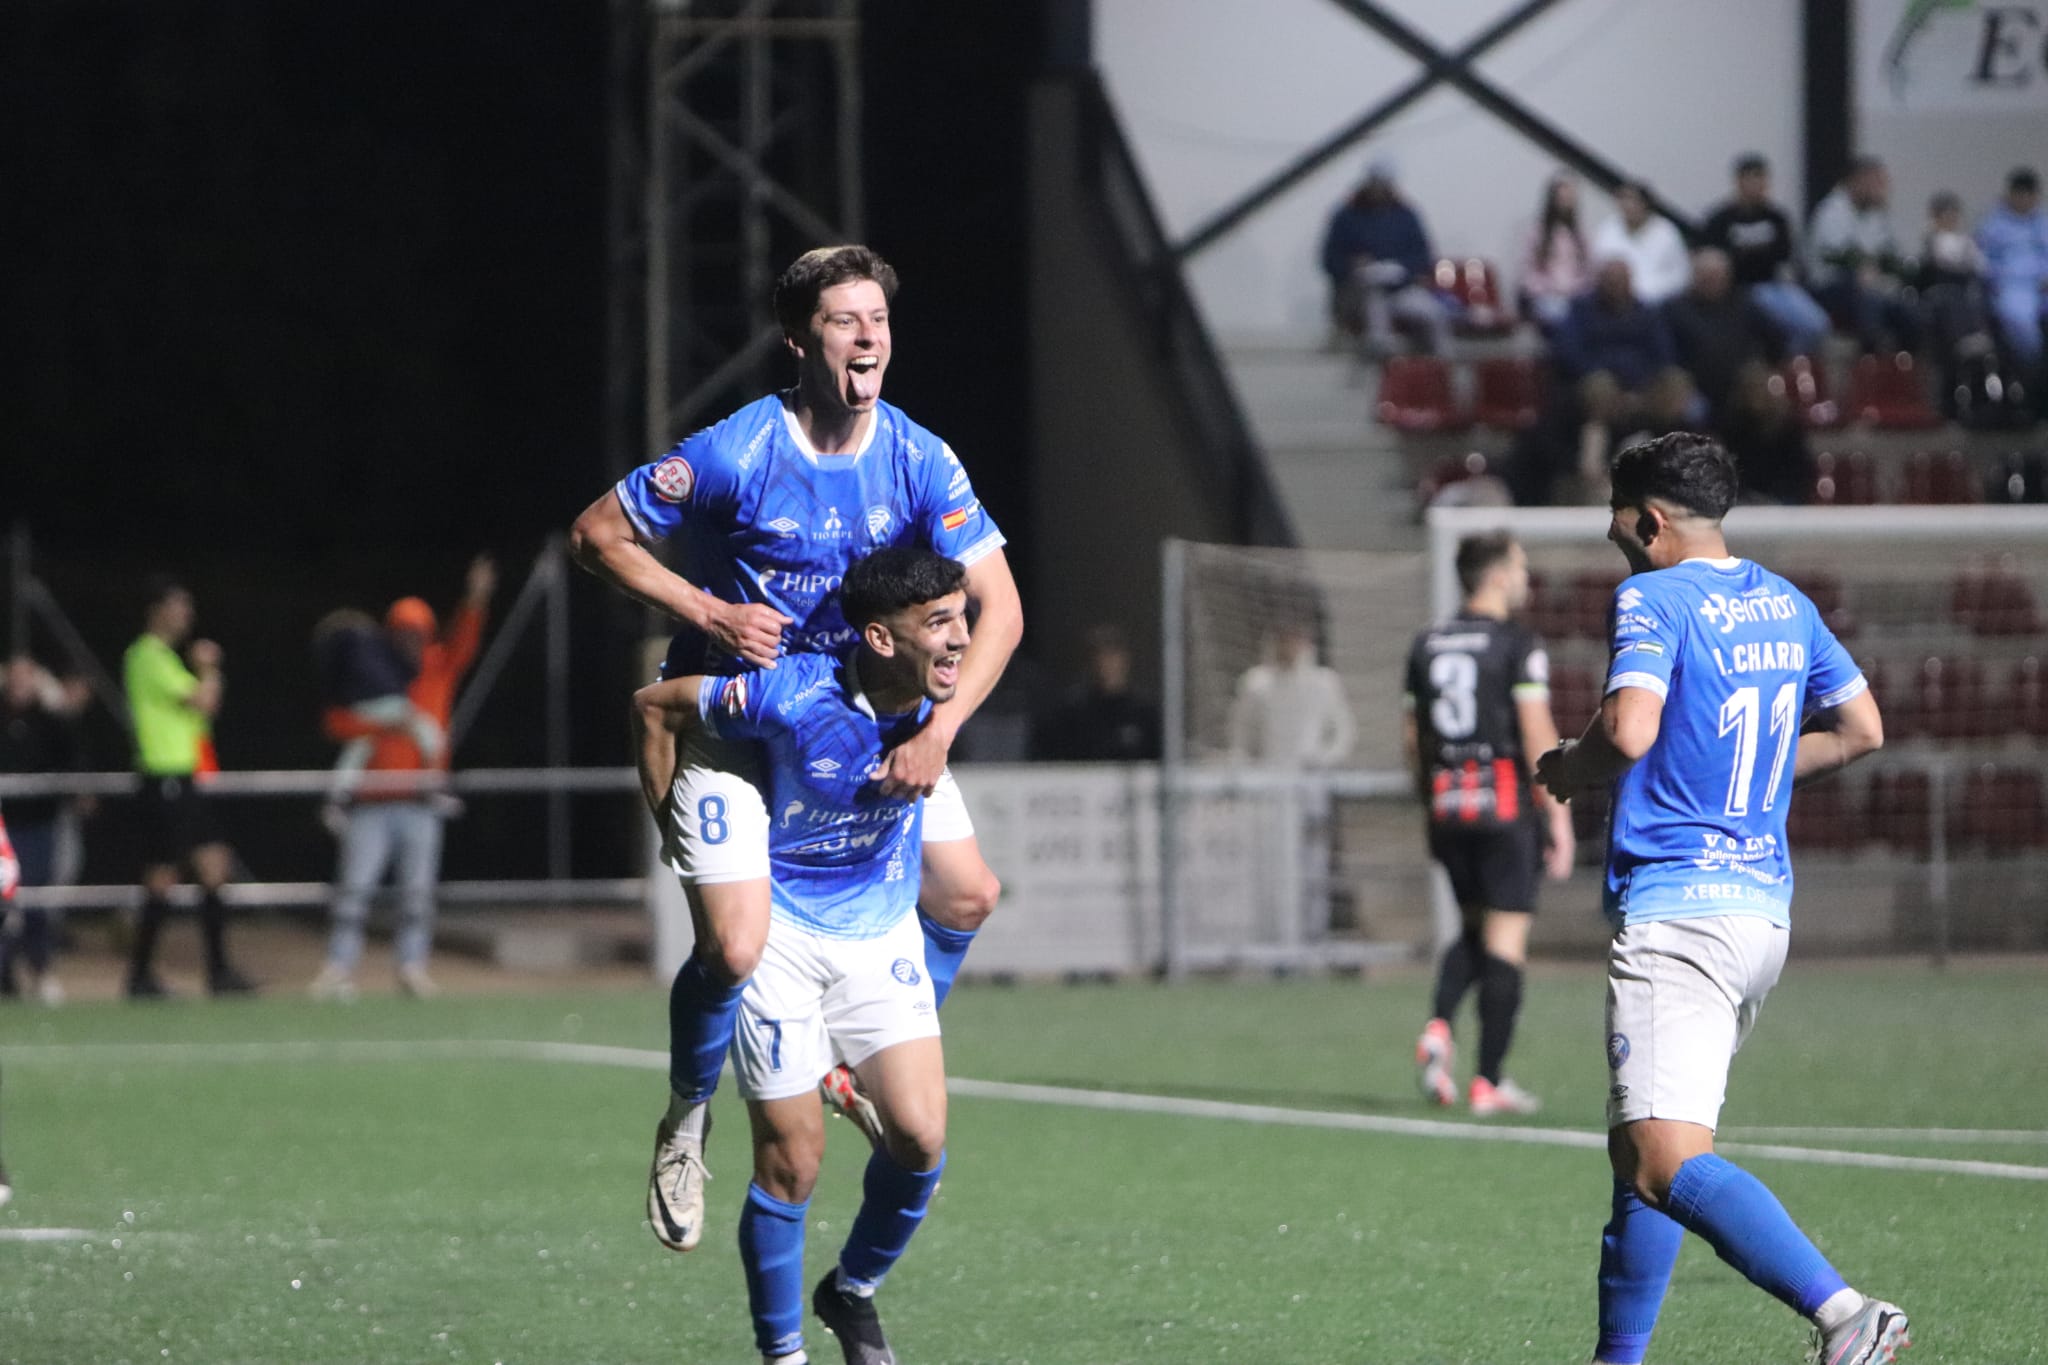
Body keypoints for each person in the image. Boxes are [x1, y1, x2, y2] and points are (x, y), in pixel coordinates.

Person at [567, 244, 1023, 1256]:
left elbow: (1003, 610)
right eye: (843, 321)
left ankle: (855, 1064)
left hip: (857, 718)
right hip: (741, 723)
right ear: (797, 341)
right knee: (732, 948)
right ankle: (687, 1117)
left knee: (965, 894)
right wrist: (707, 609)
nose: (867, 337)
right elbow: (597, 534)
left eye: (879, 321)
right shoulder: (735, 451)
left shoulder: (916, 455)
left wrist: (939, 730)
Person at [1533, 433, 1908, 1365]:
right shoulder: (1786, 600)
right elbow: (1862, 728)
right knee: (1645, 1159)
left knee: (1663, 1159)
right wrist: (1760, 789)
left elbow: (1628, 729)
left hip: (1680, 913)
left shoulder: (1652, 596)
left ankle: (1845, 1313)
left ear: (1649, 519)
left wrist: (1572, 769)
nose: (1609, 531)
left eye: (1616, 514)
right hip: (1759, 910)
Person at [633, 547, 967, 1365]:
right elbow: (656, 706)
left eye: (962, 617)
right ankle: (782, 1354)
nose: (961, 640)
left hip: (881, 925)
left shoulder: (943, 698)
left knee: (921, 1138)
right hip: (784, 931)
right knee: (793, 1162)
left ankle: (849, 1292)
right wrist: (685, 856)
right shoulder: (791, 694)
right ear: (882, 640)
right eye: (939, 624)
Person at [1403, 533, 1574, 1115]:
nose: (1526, 577)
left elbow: (1413, 739)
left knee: (1476, 931)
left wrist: (1427, 806)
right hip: (1502, 808)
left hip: (1449, 805)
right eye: (1521, 566)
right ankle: (1488, 1081)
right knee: (1504, 943)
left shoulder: (1426, 643)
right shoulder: (1516, 644)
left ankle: (1438, 1025)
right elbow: (1534, 731)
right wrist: (1559, 811)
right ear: (1498, 575)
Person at [309, 556, 496, 1001]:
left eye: (419, 631)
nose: (412, 639)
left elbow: (465, 639)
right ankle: (339, 966)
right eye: (404, 631)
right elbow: (336, 722)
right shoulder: (373, 672)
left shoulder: (437, 666)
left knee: (417, 893)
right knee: (354, 890)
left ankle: (412, 966)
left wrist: (477, 596)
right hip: (371, 801)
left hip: (421, 800)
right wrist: (388, 724)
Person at [122, 578, 255, 998]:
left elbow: (202, 712)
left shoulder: (169, 661)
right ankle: (140, 975)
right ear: (156, 610)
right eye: (179, 607)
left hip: (186, 779)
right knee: (162, 876)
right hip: (164, 778)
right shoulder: (147, 655)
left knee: (216, 865)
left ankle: (219, 972)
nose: (186, 616)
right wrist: (209, 669)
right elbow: (204, 702)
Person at [1552, 258, 1697, 496]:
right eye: (1610, 281)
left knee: (1676, 380)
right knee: (1600, 384)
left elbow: (1664, 355)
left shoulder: (1647, 313)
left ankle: (1677, 458)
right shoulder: (1581, 310)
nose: (1616, 286)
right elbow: (1570, 353)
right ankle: (1593, 465)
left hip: (1642, 386)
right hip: (1598, 385)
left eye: (1621, 281)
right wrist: (1612, 383)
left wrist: (1639, 389)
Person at [0, 657, 87, 1003]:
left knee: (37, 900)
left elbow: (72, 755)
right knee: (4, 902)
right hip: (4, 826)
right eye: (14, 677)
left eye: (28, 677)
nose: (21, 684)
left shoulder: (50, 721)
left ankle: (41, 970)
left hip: (38, 824)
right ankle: (4, 974)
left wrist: (62, 705)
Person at [1699, 153, 1829, 358]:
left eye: (1759, 179)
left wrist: (1749, 256)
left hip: (1774, 286)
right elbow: (1715, 258)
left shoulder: (1777, 218)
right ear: (1738, 182)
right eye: (1749, 179)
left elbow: (1783, 255)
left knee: (1816, 324)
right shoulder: (1720, 220)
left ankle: (1790, 364)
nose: (1754, 185)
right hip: (1738, 291)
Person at [1319, 158, 1453, 356]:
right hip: (1359, 294)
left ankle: (1440, 367)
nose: (1379, 189)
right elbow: (1330, 259)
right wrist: (1352, 266)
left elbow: (1422, 256)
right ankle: (1380, 358)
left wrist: (1402, 269)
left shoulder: (1406, 216)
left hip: (1401, 289)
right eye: (1376, 183)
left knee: (1433, 315)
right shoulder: (1346, 218)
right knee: (1375, 310)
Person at [1806, 156, 1920, 354]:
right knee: (1869, 301)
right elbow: (1839, 255)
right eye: (1876, 183)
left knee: (1910, 310)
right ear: (1857, 181)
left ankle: (1905, 369)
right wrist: (1867, 266)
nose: (1882, 189)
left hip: (1869, 286)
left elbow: (1892, 255)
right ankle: (1870, 365)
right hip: (1831, 287)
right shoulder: (1832, 210)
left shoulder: (1877, 215)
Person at [1031, 623, 1160, 762]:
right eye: (1100, 656)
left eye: (1113, 655)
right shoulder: (1073, 713)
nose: (1106, 664)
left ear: (1125, 660)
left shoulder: (1145, 713)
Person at [1976, 167, 2048, 379]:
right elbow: (1983, 263)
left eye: (2030, 195)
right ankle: (2033, 377)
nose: (2025, 200)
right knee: (2020, 321)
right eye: (2020, 195)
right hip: (2012, 286)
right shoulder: (1993, 226)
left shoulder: (2043, 224)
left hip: (2042, 284)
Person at [1590, 182, 1690, 307]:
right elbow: (1598, 268)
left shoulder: (1666, 232)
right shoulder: (1608, 229)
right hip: (1615, 303)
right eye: (1623, 200)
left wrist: (1652, 293)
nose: (1628, 206)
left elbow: (1680, 276)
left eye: (1633, 201)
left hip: (1659, 303)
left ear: (1645, 204)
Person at [1518, 173, 1591, 331]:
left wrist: (1575, 289)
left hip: (1575, 297)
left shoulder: (1579, 236)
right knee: (1559, 315)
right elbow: (1528, 272)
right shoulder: (1538, 233)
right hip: (1546, 296)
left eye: (1569, 198)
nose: (1565, 203)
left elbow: (1587, 272)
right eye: (1561, 198)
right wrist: (1549, 288)